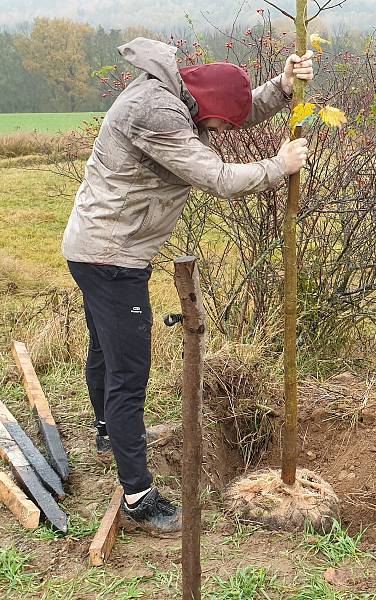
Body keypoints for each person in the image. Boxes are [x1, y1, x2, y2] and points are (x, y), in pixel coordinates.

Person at [61, 37, 314, 534]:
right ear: (206, 109)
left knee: (105, 352)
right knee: (129, 374)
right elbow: (216, 177)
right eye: (222, 124)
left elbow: (232, 111)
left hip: (93, 247)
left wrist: (283, 88)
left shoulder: (176, 95)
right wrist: (277, 168)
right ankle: (137, 495)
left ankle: (108, 434)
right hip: (112, 258)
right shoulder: (157, 113)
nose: (222, 131)